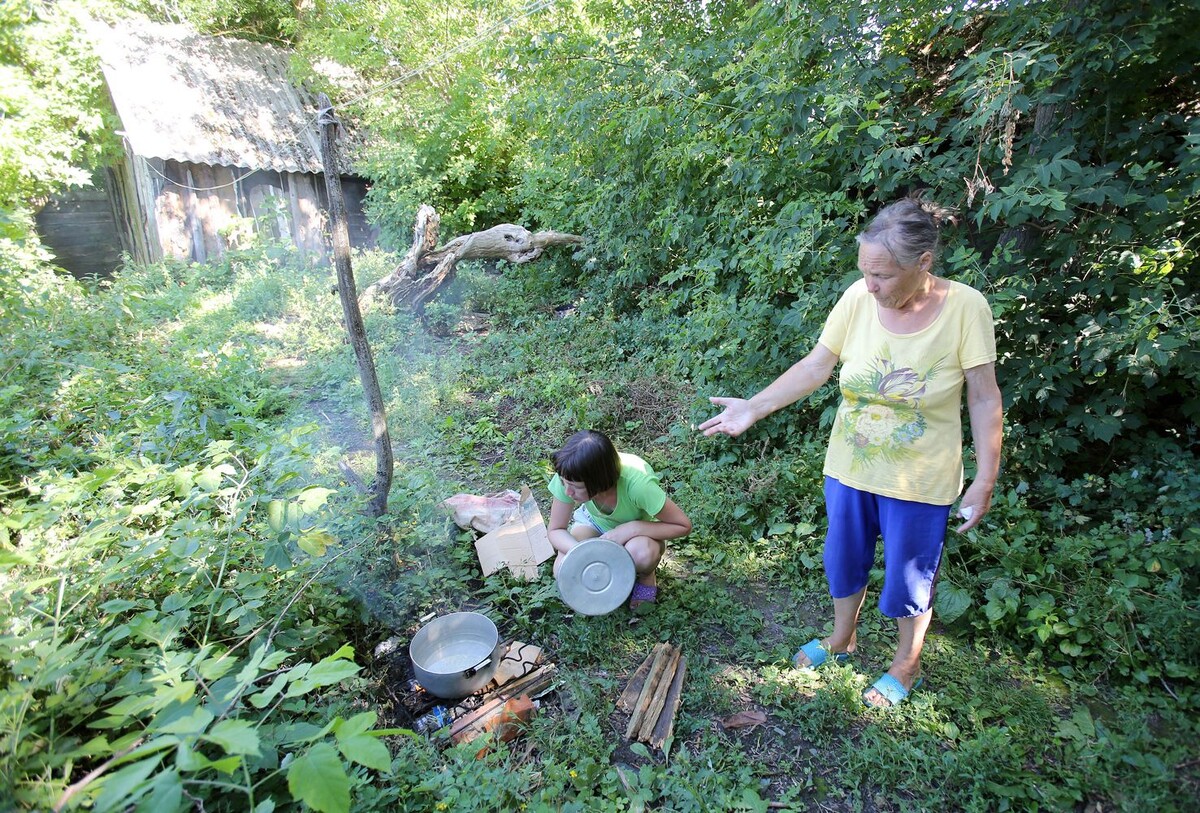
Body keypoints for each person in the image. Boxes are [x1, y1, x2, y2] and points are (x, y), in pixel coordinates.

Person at [698, 197, 1003, 707]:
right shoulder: (858, 299)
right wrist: (755, 406)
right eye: (864, 272)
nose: (870, 286)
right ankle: (842, 640)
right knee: (843, 560)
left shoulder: (967, 308)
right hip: (850, 467)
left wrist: (985, 476)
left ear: (922, 264)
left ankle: (907, 666)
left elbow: (984, 395)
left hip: (921, 480)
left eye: (881, 275)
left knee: (910, 574)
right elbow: (818, 365)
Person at [547, 430, 692, 609]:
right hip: (594, 523)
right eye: (563, 483)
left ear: (599, 482)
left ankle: (647, 576)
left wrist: (632, 528)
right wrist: (582, 552)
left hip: (639, 535)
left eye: (576, 488)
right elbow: (555, 530)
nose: (568, 492)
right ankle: (607, 576)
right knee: (562, 569)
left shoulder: (638, 486)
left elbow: (683, 525)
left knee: (641, 554)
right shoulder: (570, 474)